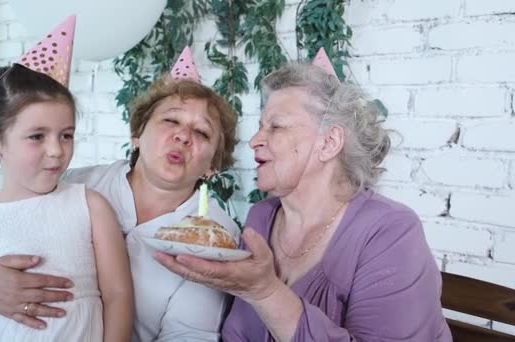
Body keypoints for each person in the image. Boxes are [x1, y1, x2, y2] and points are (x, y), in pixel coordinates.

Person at [156, 58, 453, 341]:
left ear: (330, 142)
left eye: (276, 126)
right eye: (261, 125)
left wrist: (265, 291)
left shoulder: (391, 233)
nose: (255, 140)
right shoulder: (262, 216)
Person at [0, 47, 241, 341]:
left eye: (202, 133)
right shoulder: (73, 186)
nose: (183, 136)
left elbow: (189, 335)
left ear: (213, 165)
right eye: (171, 121)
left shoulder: (217, 237)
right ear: (137, 134)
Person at [0, 61, 133, 341]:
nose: (57, 150)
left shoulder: (91, 206)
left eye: (66, 135)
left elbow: (118, 296)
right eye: (37, 136)